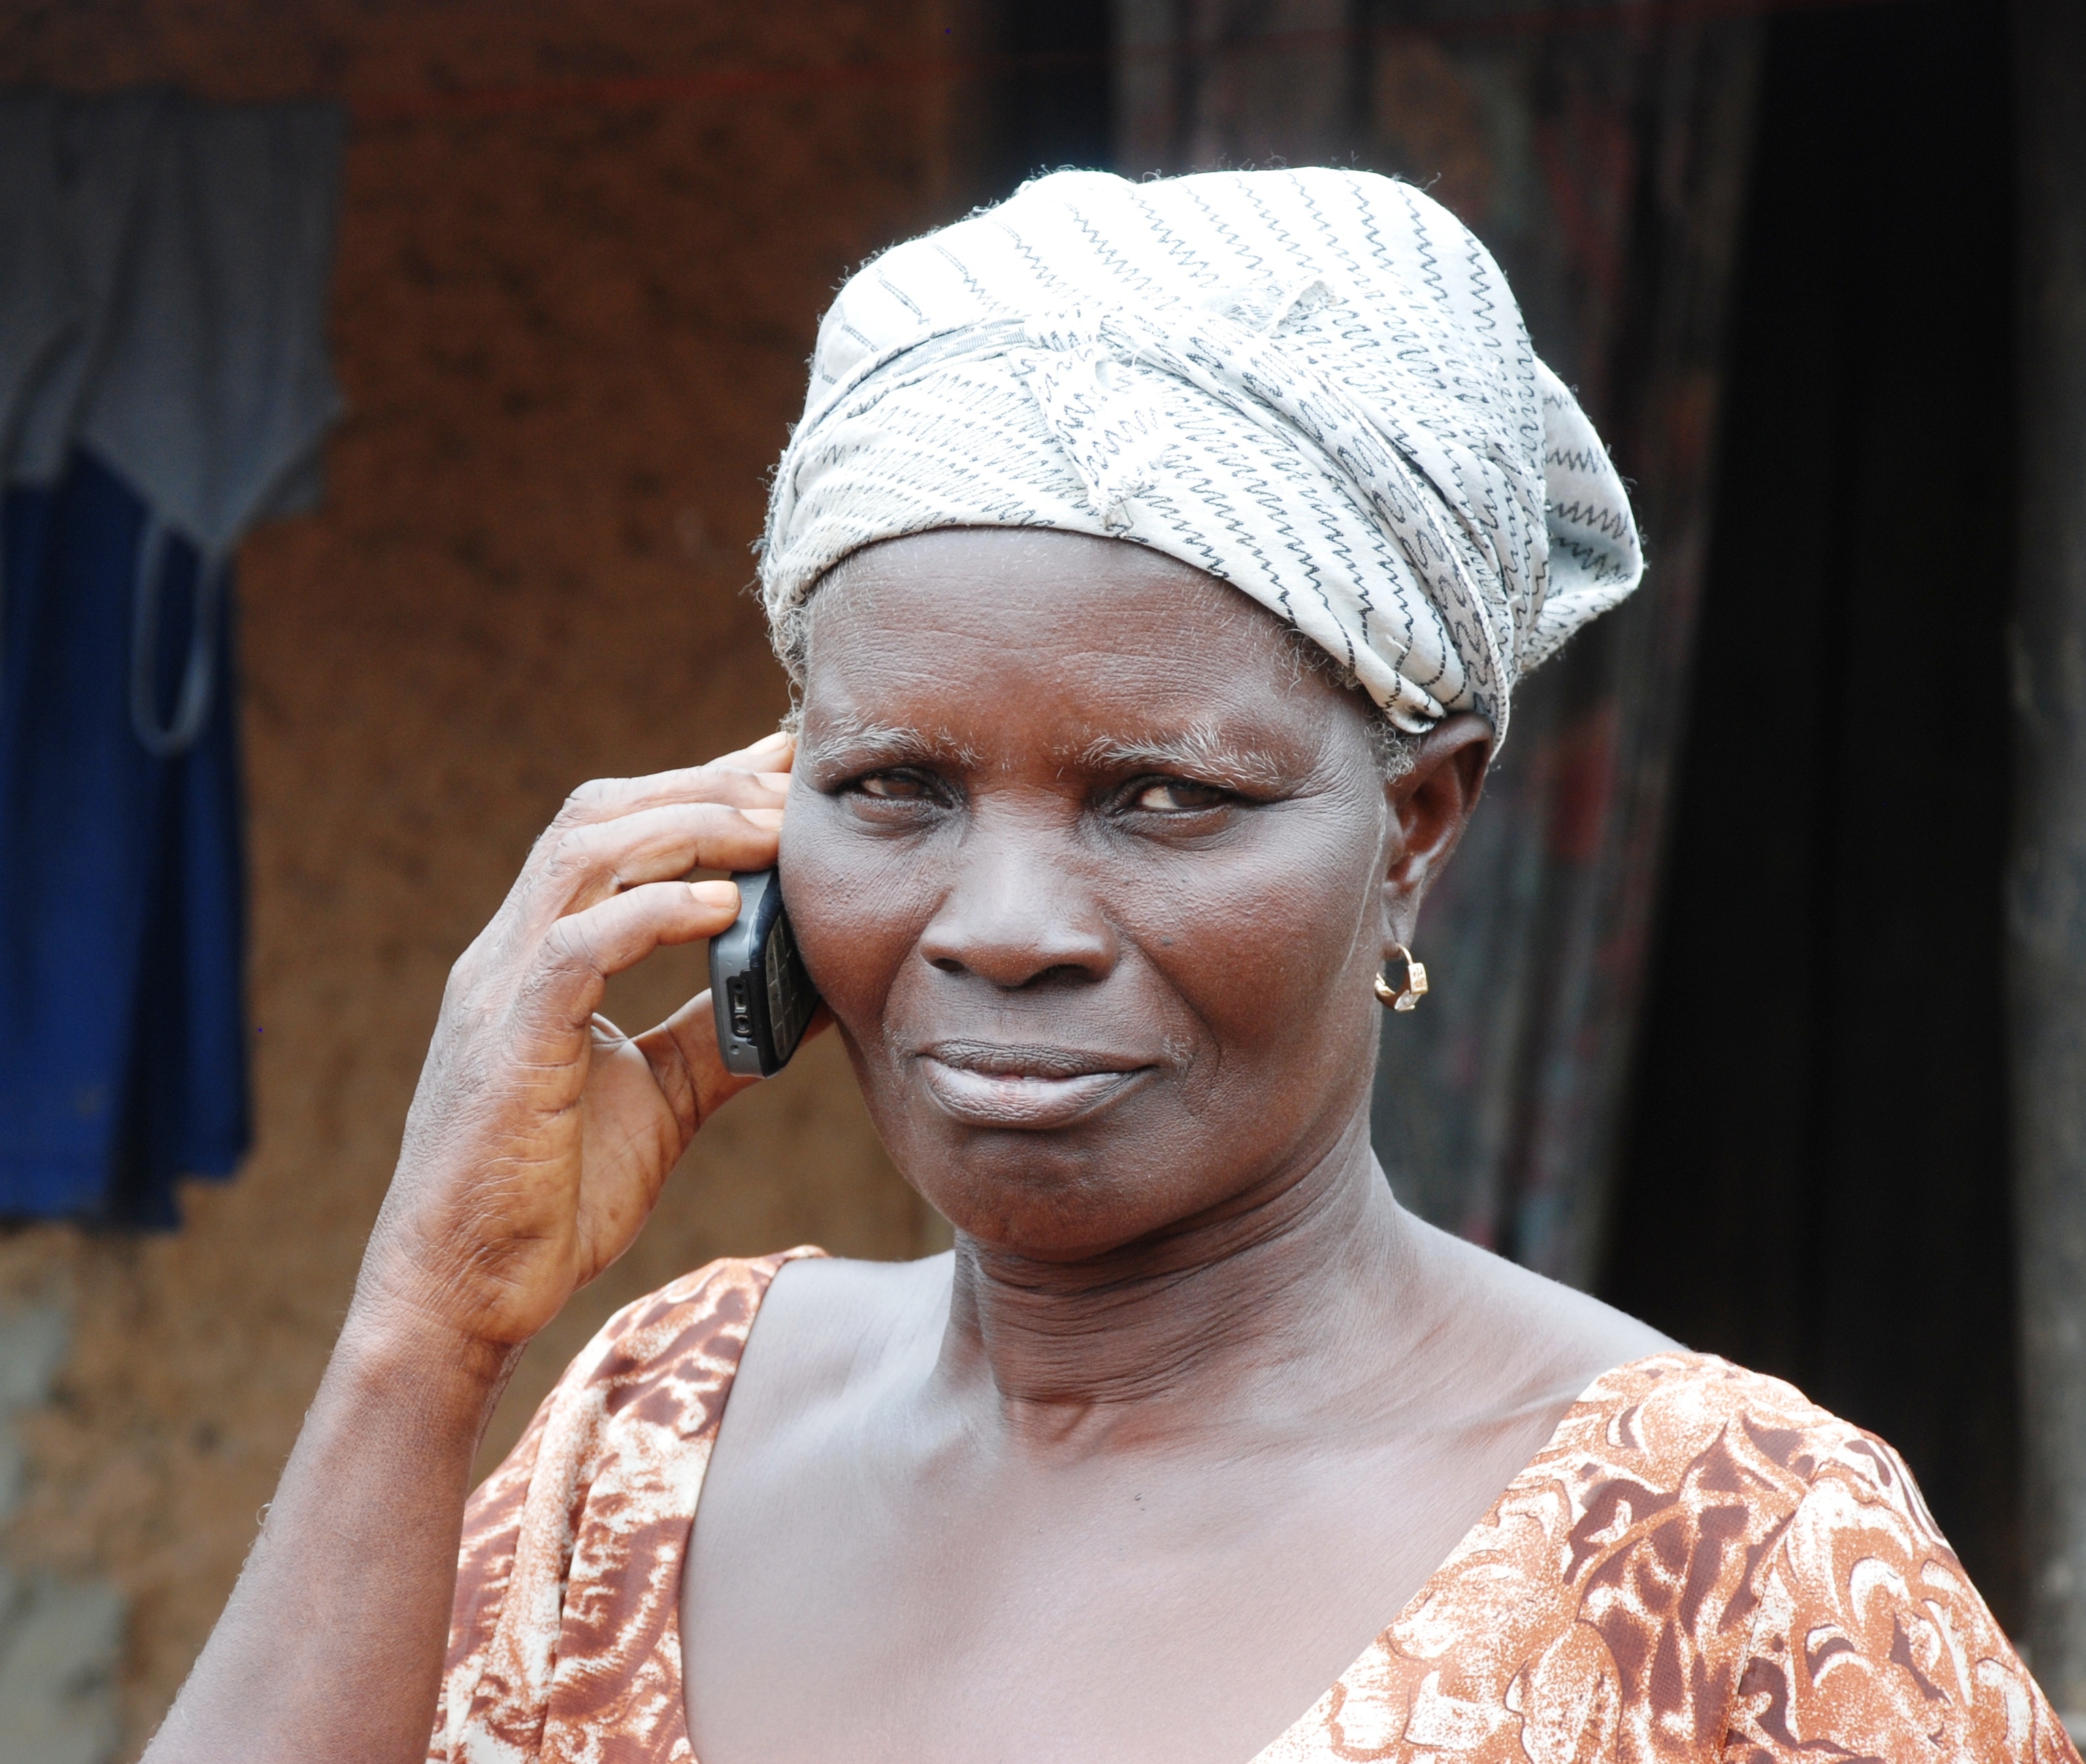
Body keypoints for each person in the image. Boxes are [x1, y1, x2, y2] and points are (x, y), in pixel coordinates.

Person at [144, 169, 2079, 1764]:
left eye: (1161, 798)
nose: (1003, 924)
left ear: (1416, 825)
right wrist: (424, 1334)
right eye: (894, 788)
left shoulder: (1728, 1564)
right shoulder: (659, 1432)